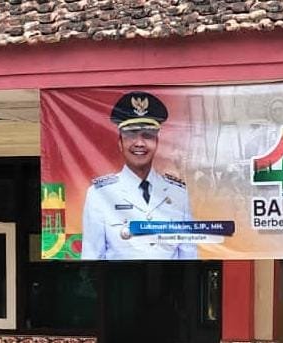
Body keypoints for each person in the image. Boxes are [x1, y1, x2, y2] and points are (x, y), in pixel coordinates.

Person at [81, 91, 197, 260]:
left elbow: (189, 256)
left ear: (157, 142)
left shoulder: (178, 193)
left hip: (168, 279)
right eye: (131, 135)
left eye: (148, 135)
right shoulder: (99, 195)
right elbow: (92, 259)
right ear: (120, 143)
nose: (140, 143)